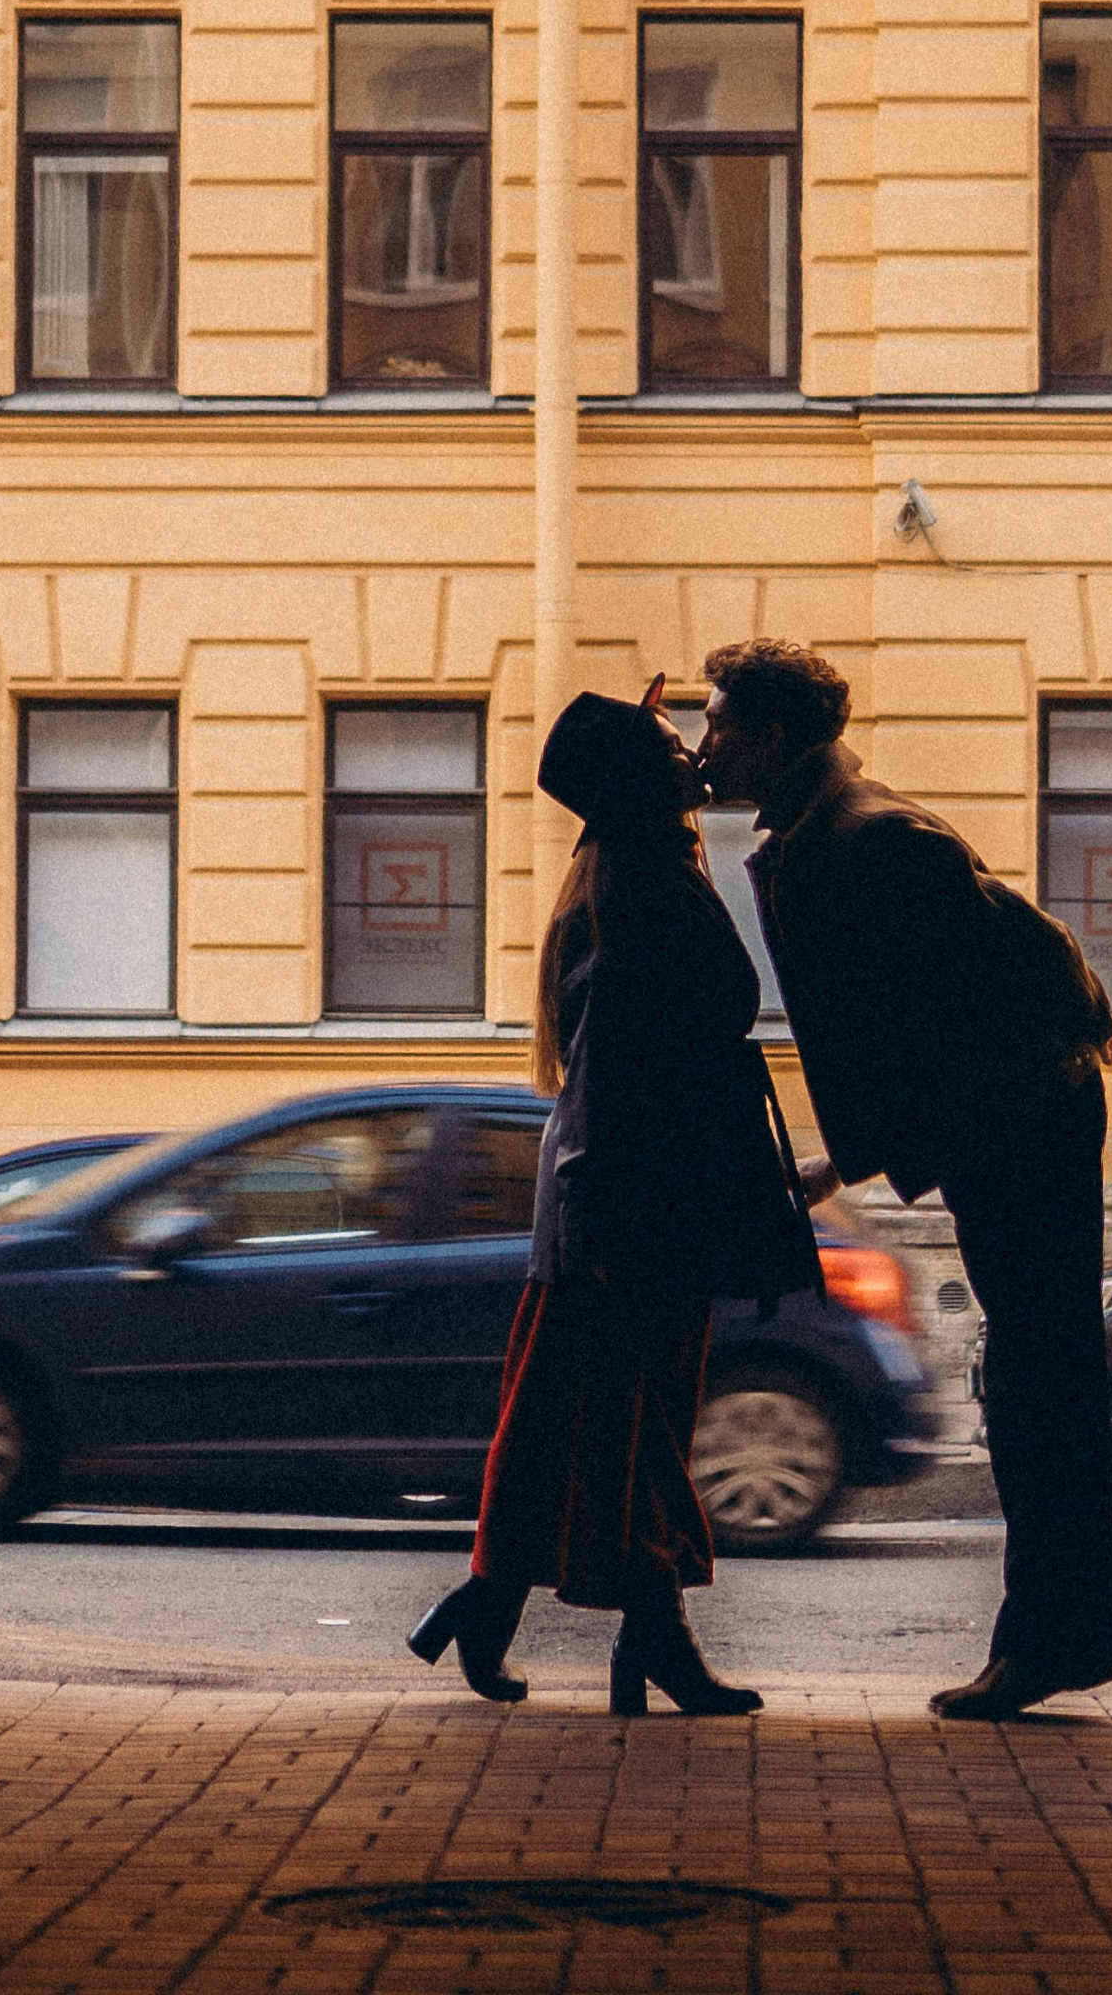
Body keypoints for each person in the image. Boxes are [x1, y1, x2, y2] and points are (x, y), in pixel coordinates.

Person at [699, 636, 1112, 1721]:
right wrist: (842, 1156)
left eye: (718, 723)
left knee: (1042, 1389)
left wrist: (851, 1154)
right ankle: (1050, 1639)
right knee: (1034, 1382)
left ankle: (1052, 1640)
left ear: (776, 734)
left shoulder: (873, 836)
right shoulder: (831, 829)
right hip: (1005, 1121)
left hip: (1024, 1121)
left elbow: (999, 979)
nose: (704, 743)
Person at [409, 680, 818, 1714]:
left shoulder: (635, 867)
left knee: (606, 1426)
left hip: (633, 1201)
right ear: (637, 777)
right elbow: (620, 1067)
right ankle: (627, 1636)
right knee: (623, 1428)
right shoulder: (638, 882)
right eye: (666, 742)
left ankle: (514, 1610)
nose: (688, 750)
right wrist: (600, 1215)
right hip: (630, 1207)